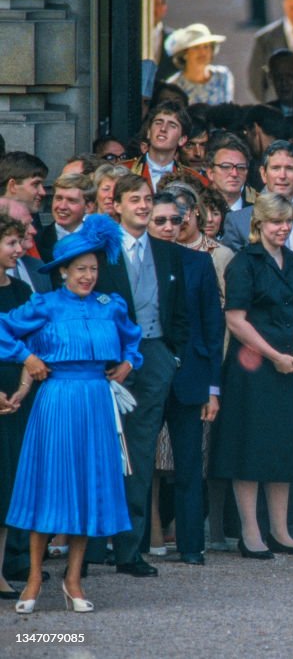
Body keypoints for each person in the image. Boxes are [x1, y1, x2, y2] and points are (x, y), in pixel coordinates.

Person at [3, 214, 142, 613]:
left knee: (89, 485)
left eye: (93, 269)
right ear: (63, 271)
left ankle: (74, 579)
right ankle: (32, 577)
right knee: (49, 485)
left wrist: (129, 364)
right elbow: (3, 330)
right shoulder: (43, 304)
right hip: (57, 399)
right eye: (80, 269)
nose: (88, 276)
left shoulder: (109, 305)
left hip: (96, 399)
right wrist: (27, 356)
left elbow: (135, 343)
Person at [84, 175, 187, 579]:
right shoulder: (99, 253)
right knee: (99, 452)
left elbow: (178, 311)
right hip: (106, 367)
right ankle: (89, 550)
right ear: (117, 206)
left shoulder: (167, 252)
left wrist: (170, 357)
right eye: (135, 199)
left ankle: (130, 550)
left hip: (154, 358)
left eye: (148, 198)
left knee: (140, 456)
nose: (144, 205)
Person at [209, 193, 293, 560]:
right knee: (250, 446)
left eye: (288, 222)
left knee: (285, 446)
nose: (283, 228)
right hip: (253, 367)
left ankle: (281, 530)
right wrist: (274, 356)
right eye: (276, 222)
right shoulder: (245, 263)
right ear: (259, 224)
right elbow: (236, 319)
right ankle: (250, 532)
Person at [146, 191, 224, 565]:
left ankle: (192, 545)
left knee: (190, 465)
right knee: (139, 463)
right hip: (145, 373)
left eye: (174, 220)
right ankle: (133, 545)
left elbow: (212, 326)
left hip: (191, 374)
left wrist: (213, 387)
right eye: (159, 220)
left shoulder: (199, 263)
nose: (167, 227)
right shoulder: (134, 261)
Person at [0, 214, 32, 601]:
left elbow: (34, 346)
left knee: (7, 485)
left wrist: (21, 390)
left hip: (16, 400)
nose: (19, 250)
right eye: (10, 243)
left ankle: (1, 571)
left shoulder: (23, 293)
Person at [164, 24, 233, 105]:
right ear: (185, 53)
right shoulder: (173, 86)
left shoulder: (222, 76)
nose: (202, 52)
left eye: (206, 46)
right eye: (196, 47)